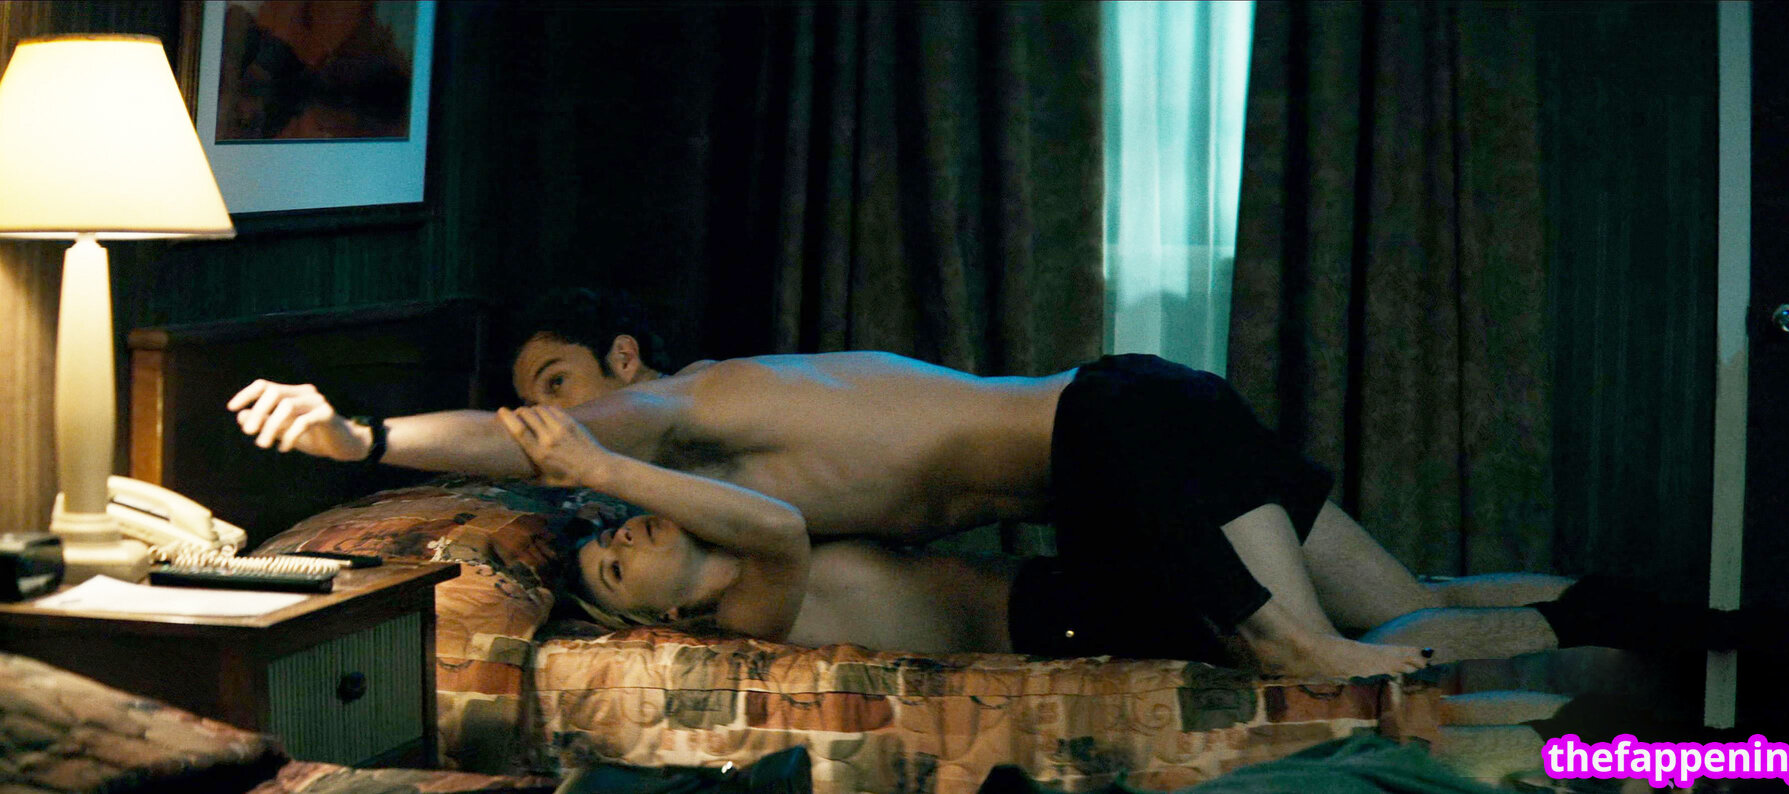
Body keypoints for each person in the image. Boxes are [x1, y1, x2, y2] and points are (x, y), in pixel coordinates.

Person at [226, 289, 1551, 676]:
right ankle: (1636, 633)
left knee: (1315, 662)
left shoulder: (684, 407)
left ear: (622, 362)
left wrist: (360, 437)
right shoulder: (717, 431)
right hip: (1134, 413)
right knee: (1413, 606)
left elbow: (516, 439)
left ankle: (1609, 726)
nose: (561, 418)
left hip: (1114, 434)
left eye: (564, 381)